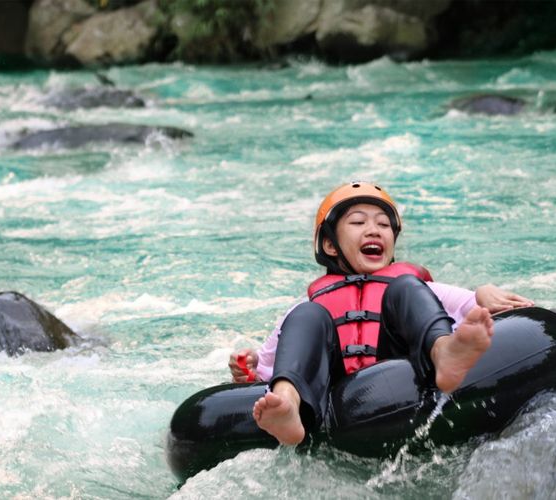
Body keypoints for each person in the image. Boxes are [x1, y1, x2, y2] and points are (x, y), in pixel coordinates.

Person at [228, 181, 533, 446]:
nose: (374, 230)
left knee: (405, 287)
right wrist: (249, 368)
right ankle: (290, 409)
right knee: (307, 315)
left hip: (401, 378)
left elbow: (476, 314)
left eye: (384, 225)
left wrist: (482, 293)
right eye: (358, 222)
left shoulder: (411, 287)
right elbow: (273, 367)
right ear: (330, 245)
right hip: (334, 396)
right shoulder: (310, 305)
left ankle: (444, 354)